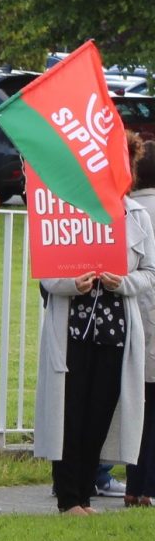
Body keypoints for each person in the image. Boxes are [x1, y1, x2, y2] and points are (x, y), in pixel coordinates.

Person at [35, 187, 155, 514]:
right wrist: (72, 283)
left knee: (99, 415)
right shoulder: (64, 212)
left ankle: (85, 494)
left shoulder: (136, 215)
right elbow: (46, 274)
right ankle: (68, 497)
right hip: (72, 329)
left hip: (115, 331)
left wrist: (123, 283)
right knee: (70, 414)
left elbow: (149, 273)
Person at [126, 139, 155, 508]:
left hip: (130, 313)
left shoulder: (128, 208)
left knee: (139, 404)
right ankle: (145, 485)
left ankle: (135, 483)